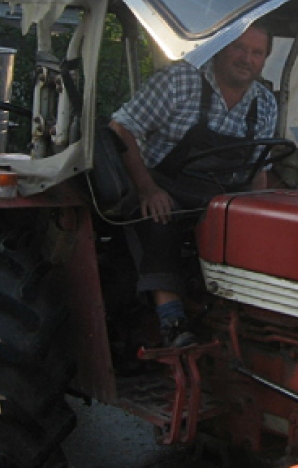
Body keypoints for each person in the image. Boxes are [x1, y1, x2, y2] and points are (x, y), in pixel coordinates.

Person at [110, 24, 277, 347]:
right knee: (160, 219)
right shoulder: (181, 80)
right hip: (163, 185)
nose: (247, 59)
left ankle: (244, 320)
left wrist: (258, 215)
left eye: (257, 53)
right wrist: (147, 188)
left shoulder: (265, 103)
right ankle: (172, 321)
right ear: (221, 49)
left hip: (218, 197)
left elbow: (259, 170)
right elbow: (121, 126)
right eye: (240, 48)